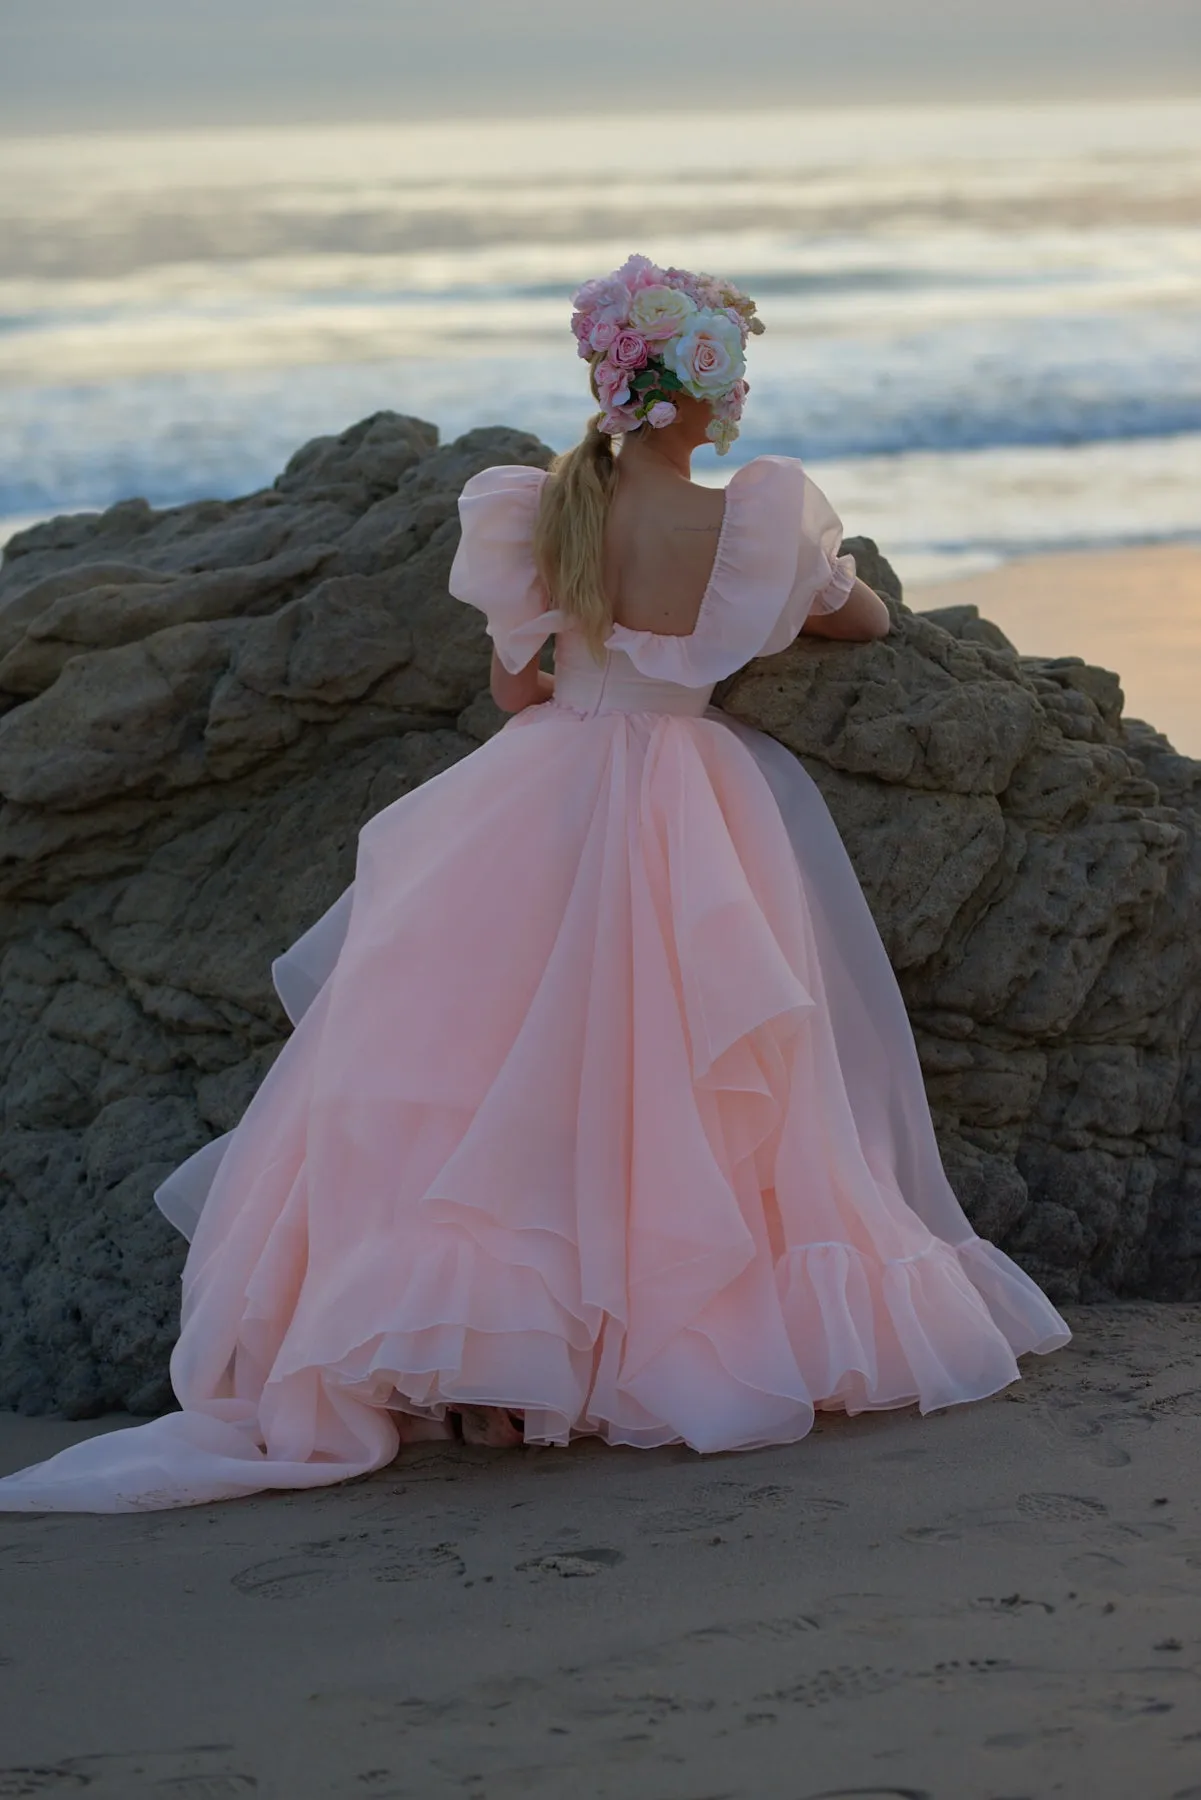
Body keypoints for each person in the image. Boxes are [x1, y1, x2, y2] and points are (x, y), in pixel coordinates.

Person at [0, 253, 1069, 1512]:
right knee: (674, 1078)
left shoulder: (538, 510)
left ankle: (491, 1364)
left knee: (492, 1074)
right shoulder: (753, 517)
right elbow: (865, 623)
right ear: (707, 397)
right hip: (688, 798)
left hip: (539, 788)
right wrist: (811, 588)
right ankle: (657, 1333)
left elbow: (518, 690)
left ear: (609, 385)